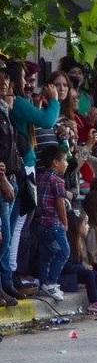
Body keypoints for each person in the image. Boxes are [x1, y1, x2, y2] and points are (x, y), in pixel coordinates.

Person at [6, 61, 60, 291]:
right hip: (23, 166)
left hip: (23, 165)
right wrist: (55, 99)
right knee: (17, 224)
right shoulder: (16, 102)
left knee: (18, 224)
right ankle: (11, 271)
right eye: (24, 78)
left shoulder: (19, 102)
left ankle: (11, 270)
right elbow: (47, 120)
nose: (28, 83)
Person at [34, 146, 71, 302]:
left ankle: (43, 283)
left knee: (46, 254)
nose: (67, 163)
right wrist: (65, 222)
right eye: (64, 160)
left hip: (40, 223)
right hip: (54, 223)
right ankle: (51, 282)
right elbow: (60, 202)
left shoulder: (41, 177)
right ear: (56, 162)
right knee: (64, 252)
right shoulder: (57, 180)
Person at [64, 209, 97, 313]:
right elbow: (66, 266)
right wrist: (83, 267)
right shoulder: (68, 243)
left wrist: (83, 266)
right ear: (77, 225)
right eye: (86, 223)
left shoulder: (79, 241)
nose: (88, 226)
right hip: (66, 276)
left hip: (75, 272)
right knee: (89, 274)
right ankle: (94, 302)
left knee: (94, 273)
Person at [0, 68, 23, 305]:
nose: (5, 82)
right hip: (3, 180)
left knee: (6, 237)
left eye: (7, 77)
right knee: (3, 236)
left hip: (11, 177)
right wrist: (3, 180)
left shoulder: (5, 111)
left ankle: (5, 282)